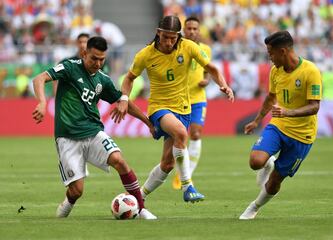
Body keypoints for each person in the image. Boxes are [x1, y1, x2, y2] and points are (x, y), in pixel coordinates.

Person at [32, 36, 157, 220]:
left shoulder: (102, 80)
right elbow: (39, 78)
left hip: (93, 131)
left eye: (102, 59)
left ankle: (142, 209)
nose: (98, 63)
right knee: (76, 191)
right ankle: (64, 209)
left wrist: (147, 122)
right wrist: (42, 102)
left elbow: (123, 101)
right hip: (67, 137)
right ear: (84, 54)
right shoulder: (70, 67)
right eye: (94, 58)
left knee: (119, 161)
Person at [118, 15, 234, 203]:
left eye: (173, 38)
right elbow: (129, 78)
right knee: (181, 134)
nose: (169, 42)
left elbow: (211, 68)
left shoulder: (188, 47)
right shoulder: (145, 54)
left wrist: (224, 85)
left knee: (168, 163)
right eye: (165, 37)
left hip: (184, 108)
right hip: (159, 108)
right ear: (158, 33)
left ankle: (139, 197)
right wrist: (124, 98)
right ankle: (188, 186)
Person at [239, 31, 322, 220]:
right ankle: (268, 163)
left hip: (302, 135)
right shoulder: (275, 70)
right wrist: (257, 120)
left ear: (283, 51)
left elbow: (315, 106)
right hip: (279, 126)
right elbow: (270, 97)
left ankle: (254, 206)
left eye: (271, 53)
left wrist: (288, 112)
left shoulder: (311, 71)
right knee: (255, 162)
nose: (269, 58)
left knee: (275, 181)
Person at [172, 16, 212, 190]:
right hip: (178, 99)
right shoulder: (175, 49)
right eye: (189, 28)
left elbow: (208, 70)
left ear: (199, 30)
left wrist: (207, 79)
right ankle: (180, 171)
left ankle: (184, 176)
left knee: (195, 134)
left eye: (195, 29)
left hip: (198, 99)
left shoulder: (206, 49)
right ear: (184, 30)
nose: (192, 31)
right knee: (179, 138)